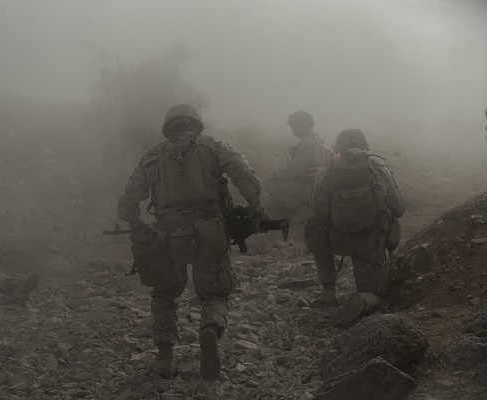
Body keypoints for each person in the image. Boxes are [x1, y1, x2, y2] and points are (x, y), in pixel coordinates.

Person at [118, 104, 268, 381]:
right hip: (209, 231)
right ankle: (210, 328)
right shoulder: (213, 146)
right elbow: (244, 175)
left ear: (169, 127)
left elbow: (129, 199)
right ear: (196, 125)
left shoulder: (152, 155)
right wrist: (257, 211)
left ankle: (164, 358)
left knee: (164, 294)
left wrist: (136, 225)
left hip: (166, 235)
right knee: (214, 293)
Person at [305, 129, 405, 327]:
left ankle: (328, 292)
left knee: (317, 232)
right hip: (370, 242)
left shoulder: (324, 173)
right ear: (365, 147)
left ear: (338, 149)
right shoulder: (379, 170)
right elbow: (399, 208)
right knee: (374, 292)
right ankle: (365, 298)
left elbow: (317, 211)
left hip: (336, 239)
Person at [265, 110, 331, 223]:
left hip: (311, 189)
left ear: (302, 126)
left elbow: (294, 170)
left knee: (271, 184)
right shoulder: (318, 141)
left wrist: (277, 174)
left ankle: (302, 210)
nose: (292, 129)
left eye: (294, 126)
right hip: (322, 188)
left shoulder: (306, 143)